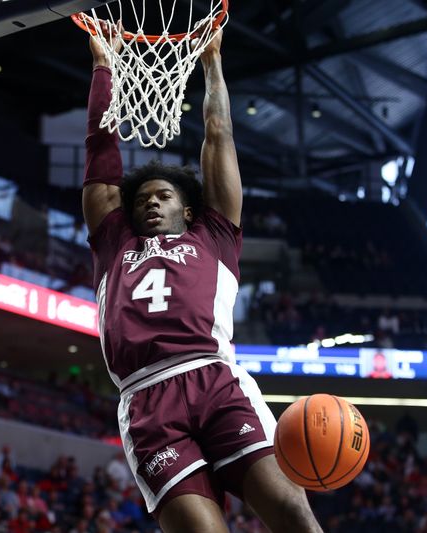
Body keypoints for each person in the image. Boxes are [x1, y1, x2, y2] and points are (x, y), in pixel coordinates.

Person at [82, 21, 321, 532]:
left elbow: (219, 134)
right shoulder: (114, 243)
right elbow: (100, 153)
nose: (149, 200)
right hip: (146, 402)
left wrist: (211, 62)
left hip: (214, 380)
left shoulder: (213, 234)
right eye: (141, 197)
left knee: (291, 509)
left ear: (189, 210)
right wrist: (105, 66)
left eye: (163, 195)